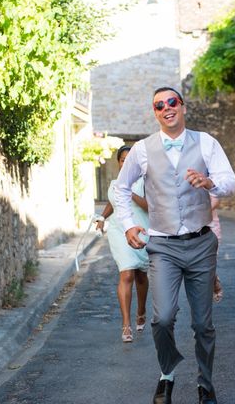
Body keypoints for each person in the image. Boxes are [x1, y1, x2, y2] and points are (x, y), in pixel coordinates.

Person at [114, 87, 235, 404]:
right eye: (159, 105)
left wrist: (209, 183)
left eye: (172, 102)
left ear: (182, 106)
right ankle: (167, 373)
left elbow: (229, 182)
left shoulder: (206, 142)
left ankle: (205, 384)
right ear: (154, 112)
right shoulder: (141, 150)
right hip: (163, 245)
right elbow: (120, 189)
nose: (166, 108)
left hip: (200, 242)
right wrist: (128, 225)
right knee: (163, 318)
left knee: (202, 324)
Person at [96, 145, 149, 343]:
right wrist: (101, 217)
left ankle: (141, 310)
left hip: (142, 229)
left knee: (141, 276)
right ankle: (126, 324)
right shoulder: (114, 183)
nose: (126, 162)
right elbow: (113, 202)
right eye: (122, 159)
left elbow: (149, 206)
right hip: (119, 231)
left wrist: (129, 193)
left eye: (130, 159)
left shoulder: (144, 181)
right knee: (126, 273)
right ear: (118, 162)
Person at [209, 196, 223, 303]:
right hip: (188, 226)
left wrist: (199, 212)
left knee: (209, 263)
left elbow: (216, 200)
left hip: (211, 224)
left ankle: (213, 279)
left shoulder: (209, 178)